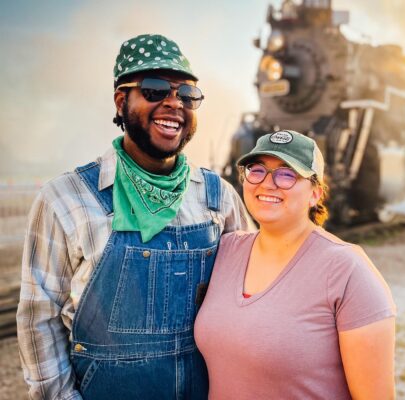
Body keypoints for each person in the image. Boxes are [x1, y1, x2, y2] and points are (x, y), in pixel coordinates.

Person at [17, 33, 252, 400]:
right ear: (121, 100)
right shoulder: (66, 198)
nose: (174, 103)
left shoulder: (217, 196)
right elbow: (39, 318)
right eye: (155, 90)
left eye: (187, 94)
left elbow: (251, 297)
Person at [194, 130, 397, 399]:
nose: (267, 184)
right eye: (257, 170)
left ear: (315, 194)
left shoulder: (347, 270)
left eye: (287, 174)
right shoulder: (226, 250)